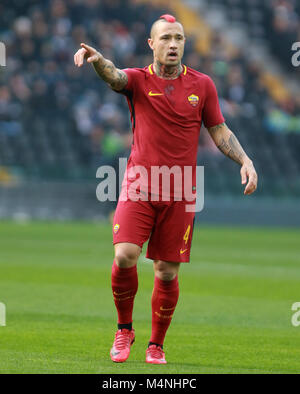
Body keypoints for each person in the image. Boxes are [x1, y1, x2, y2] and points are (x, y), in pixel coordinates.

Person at [74, 14, 258, 365]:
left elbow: (218, 129)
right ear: (151, 44)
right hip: (138, 185)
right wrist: (99, 63)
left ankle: (156, 344)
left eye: (179, 38)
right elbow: (115, 76)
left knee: (166, 271)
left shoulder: (202, 85)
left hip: (180, 191)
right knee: (124, 254)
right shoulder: (139, 80)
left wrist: (245, 161)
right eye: (166, 38)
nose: (173, 44)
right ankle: (124, 329)